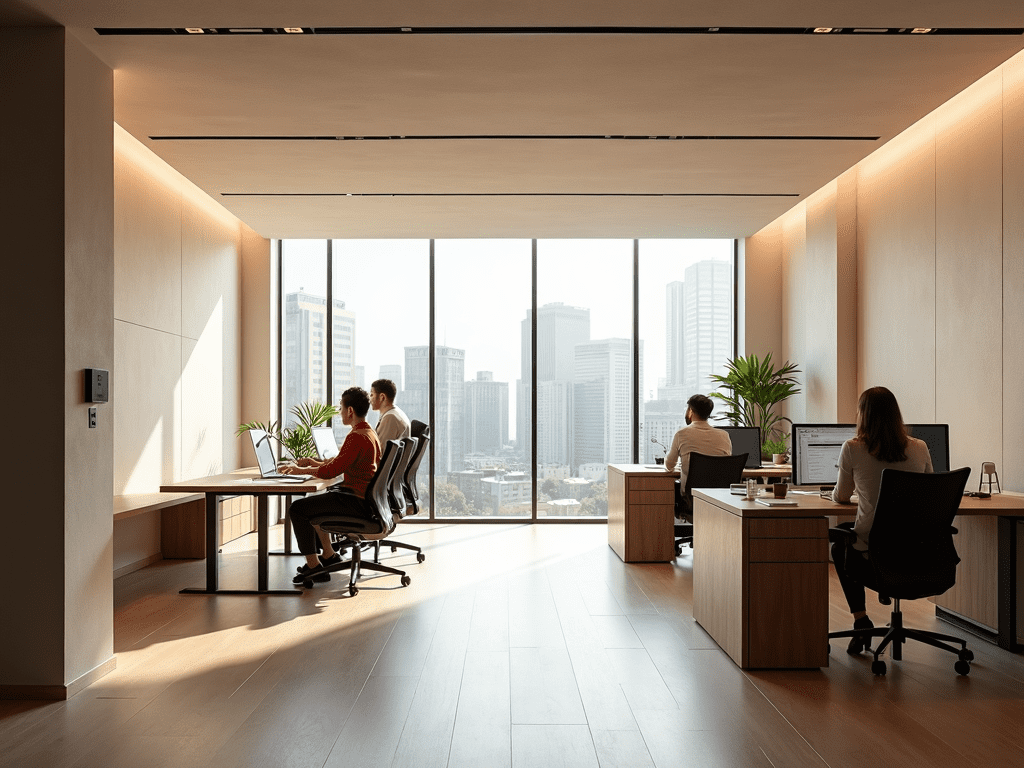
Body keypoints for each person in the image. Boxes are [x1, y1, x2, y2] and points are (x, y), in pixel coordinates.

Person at [831, 386, 933, 652]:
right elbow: (929, 493)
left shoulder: (853, 448)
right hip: (916, 550)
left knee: (840, 542)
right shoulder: (920, 447)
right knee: (848, 533)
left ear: (862, 415)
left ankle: (861, 620)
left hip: (873, 551)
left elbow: (842, 496)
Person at [282, 386, 382, 585]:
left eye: (341, 408)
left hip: (355, 502)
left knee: (298, 509)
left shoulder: (356, 436)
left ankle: (314, 567)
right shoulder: (368, 432)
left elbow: (331, 471)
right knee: (315, 503)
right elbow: (340, 463)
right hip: (362, 500)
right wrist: (314, 463)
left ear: (350, 411)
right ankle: (328, 555)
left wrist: (300, 471)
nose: (340, 412)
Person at [664, 393, 732, 491]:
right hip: (717, 495)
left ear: (690, 411)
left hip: (691, 494)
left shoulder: (681, 434)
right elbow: (726, 465)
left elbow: (669, 466)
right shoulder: (724, 435)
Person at [370, 378, 411, 444]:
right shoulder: (396, 413)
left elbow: (379, 448)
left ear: (382, 397)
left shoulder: (390, 418)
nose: (370, 399)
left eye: (372, 395)